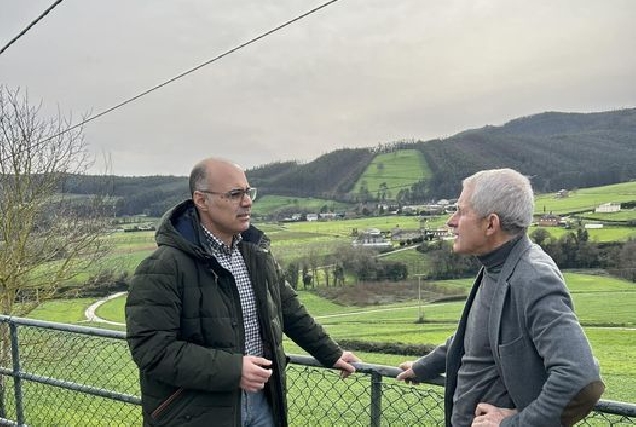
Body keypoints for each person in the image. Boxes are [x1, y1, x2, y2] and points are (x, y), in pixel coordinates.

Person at [125, 158, 358, 427]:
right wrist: (234, 370)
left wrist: (331, 353)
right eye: (235, 194)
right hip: (196, 412)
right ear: (201, 200)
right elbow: (152, 350)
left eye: (248, 192)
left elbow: (287, 309)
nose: (247, 202)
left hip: (262, 404)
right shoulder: (164, 266)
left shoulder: (256, 254)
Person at [396, 168, 604, 427]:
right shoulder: (496, 267)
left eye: (461, 211)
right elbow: (473, 339)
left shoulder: (532, 277)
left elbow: (581, 379)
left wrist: (514, 424)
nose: (451, 221)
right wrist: (424, 366)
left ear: (491, 224)